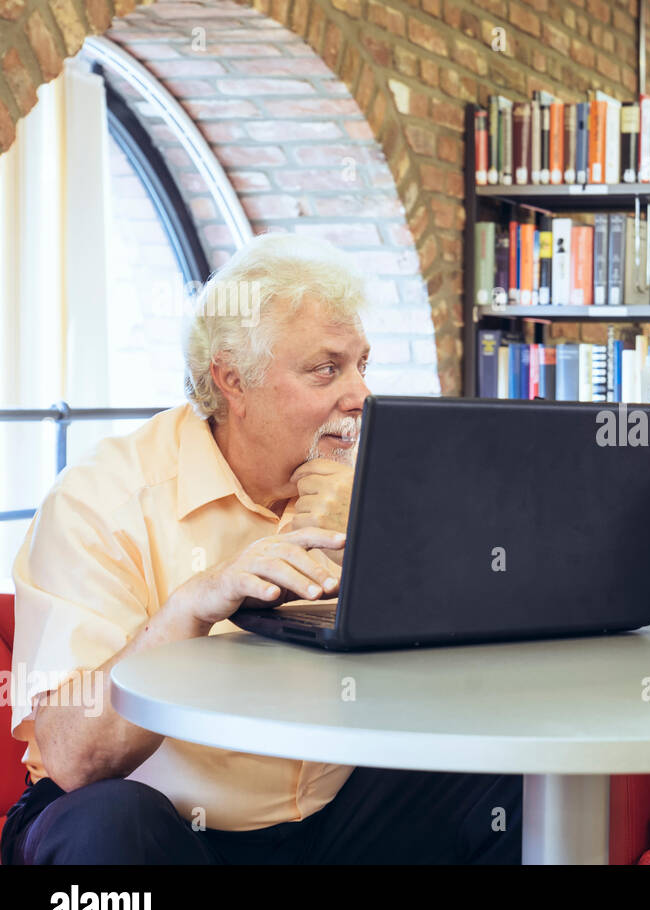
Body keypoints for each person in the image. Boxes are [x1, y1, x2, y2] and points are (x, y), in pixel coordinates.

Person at [3, 234, 521, 864]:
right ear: (233, 382)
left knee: (514, 777)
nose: (359, 396)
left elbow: (461, 680)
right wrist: (191, 608)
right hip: (161, 821)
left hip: (329, 818)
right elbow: (75, 758)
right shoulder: (100, 500)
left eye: (363, 364)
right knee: (105, 828)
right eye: (326, 370)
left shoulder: (375, 486)